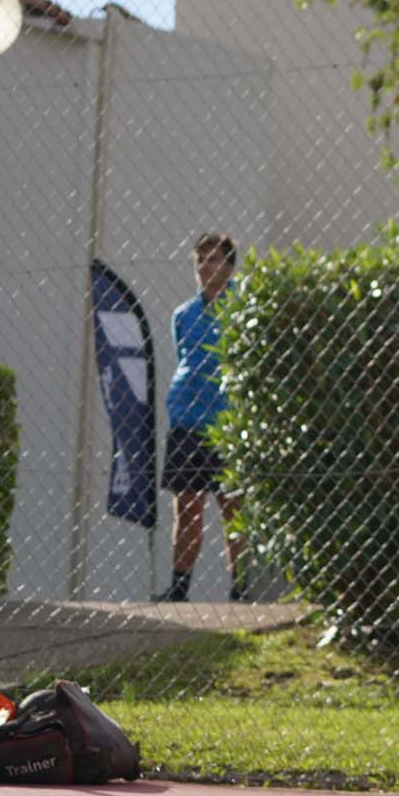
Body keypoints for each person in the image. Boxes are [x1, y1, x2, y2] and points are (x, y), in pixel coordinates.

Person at [158, 231, 245, 603]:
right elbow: (185, 358)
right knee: (187, 510)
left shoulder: (244, 307)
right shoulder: (184, 315)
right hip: (187, 423)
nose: (205, 267)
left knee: (234, 512)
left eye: (213, 259)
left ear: (228, 266)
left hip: (228, 425)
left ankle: (241, 591)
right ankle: (179, 590)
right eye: (200, 260)